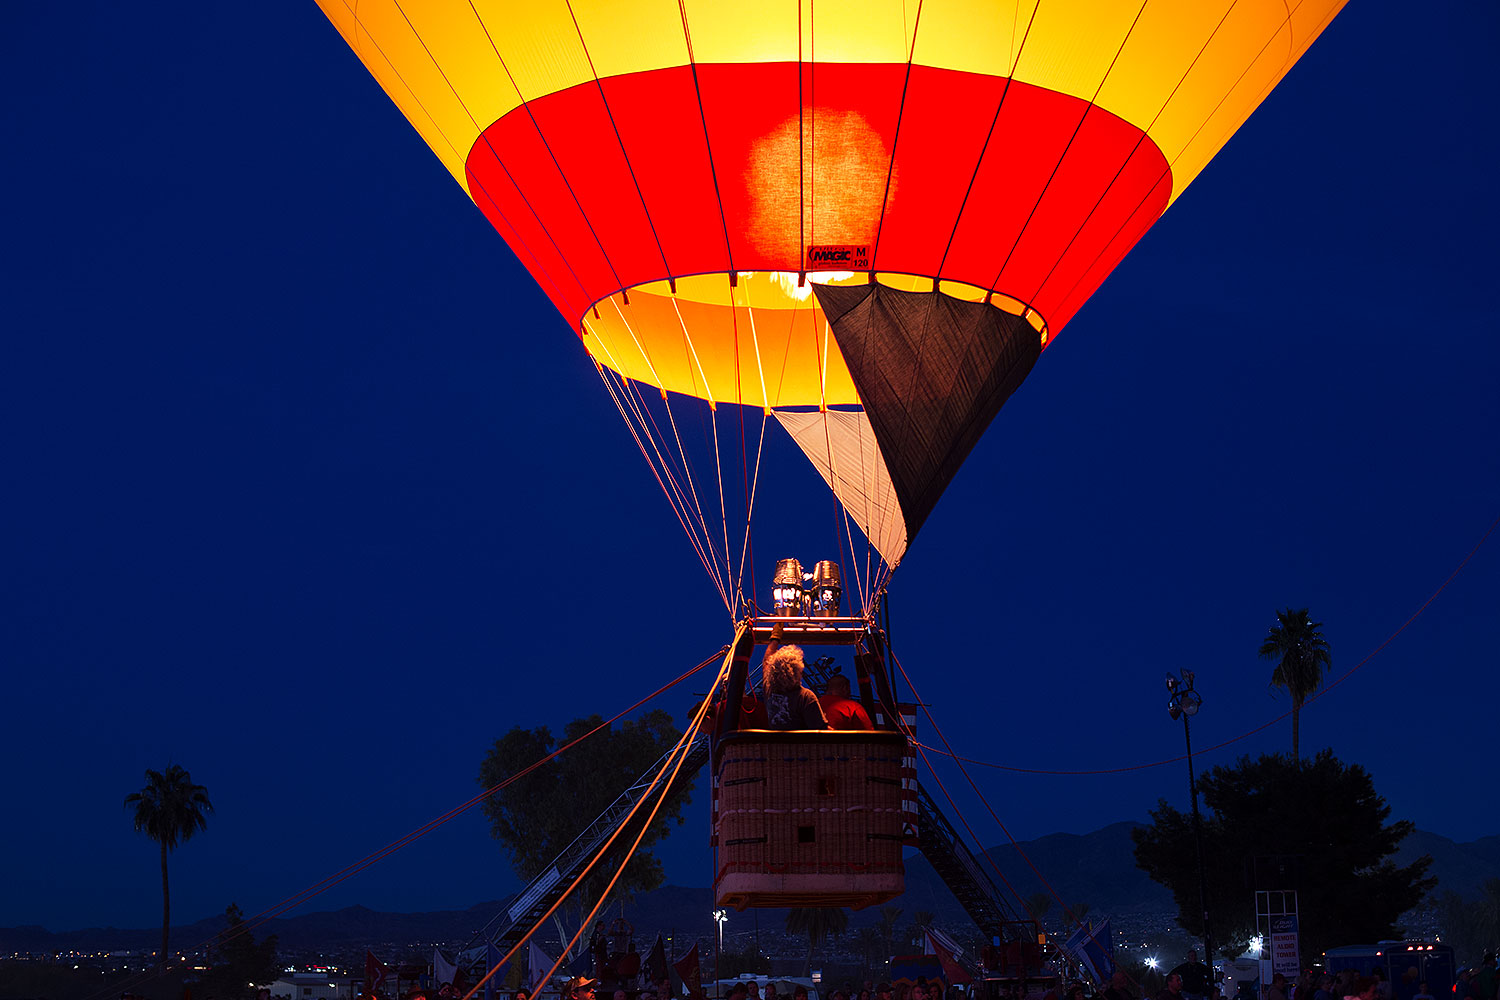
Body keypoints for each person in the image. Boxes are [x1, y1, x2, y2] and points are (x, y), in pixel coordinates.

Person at [761, 627, 830, 730]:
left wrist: (775, 638)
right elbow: (821, 731)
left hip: (775, 745)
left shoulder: (769, 690)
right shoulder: (805, 696)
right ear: (798, 671)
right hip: (800, 745)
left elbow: (766, 661)